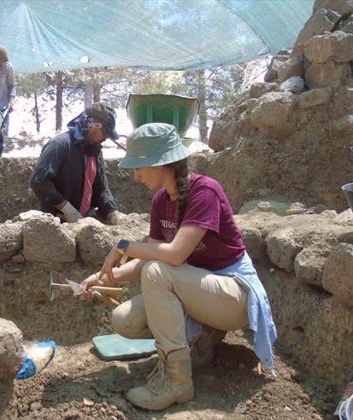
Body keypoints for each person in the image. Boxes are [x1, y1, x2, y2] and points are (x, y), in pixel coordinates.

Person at [79, 123, 277, 411]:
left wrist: (124, 245)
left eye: (139, 167)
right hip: (198, 291)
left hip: (233, 295)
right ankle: (204, 337)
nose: (135, 176)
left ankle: (177, 381)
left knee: (157, 273)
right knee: (124, 319)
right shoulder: (162, 200)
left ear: (161, 163)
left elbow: (173, 255)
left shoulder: (205, 190)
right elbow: (151, 256)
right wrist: (101, 277)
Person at [29, 102, 126, 225]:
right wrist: (67, 209)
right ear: (91, 125)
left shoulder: (95, 152)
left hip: (84, 224)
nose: (106, 137)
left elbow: (101, 190)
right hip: (56, 225)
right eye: (105, 131)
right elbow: (39, 181)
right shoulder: (60, 145)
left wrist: (114, 214)